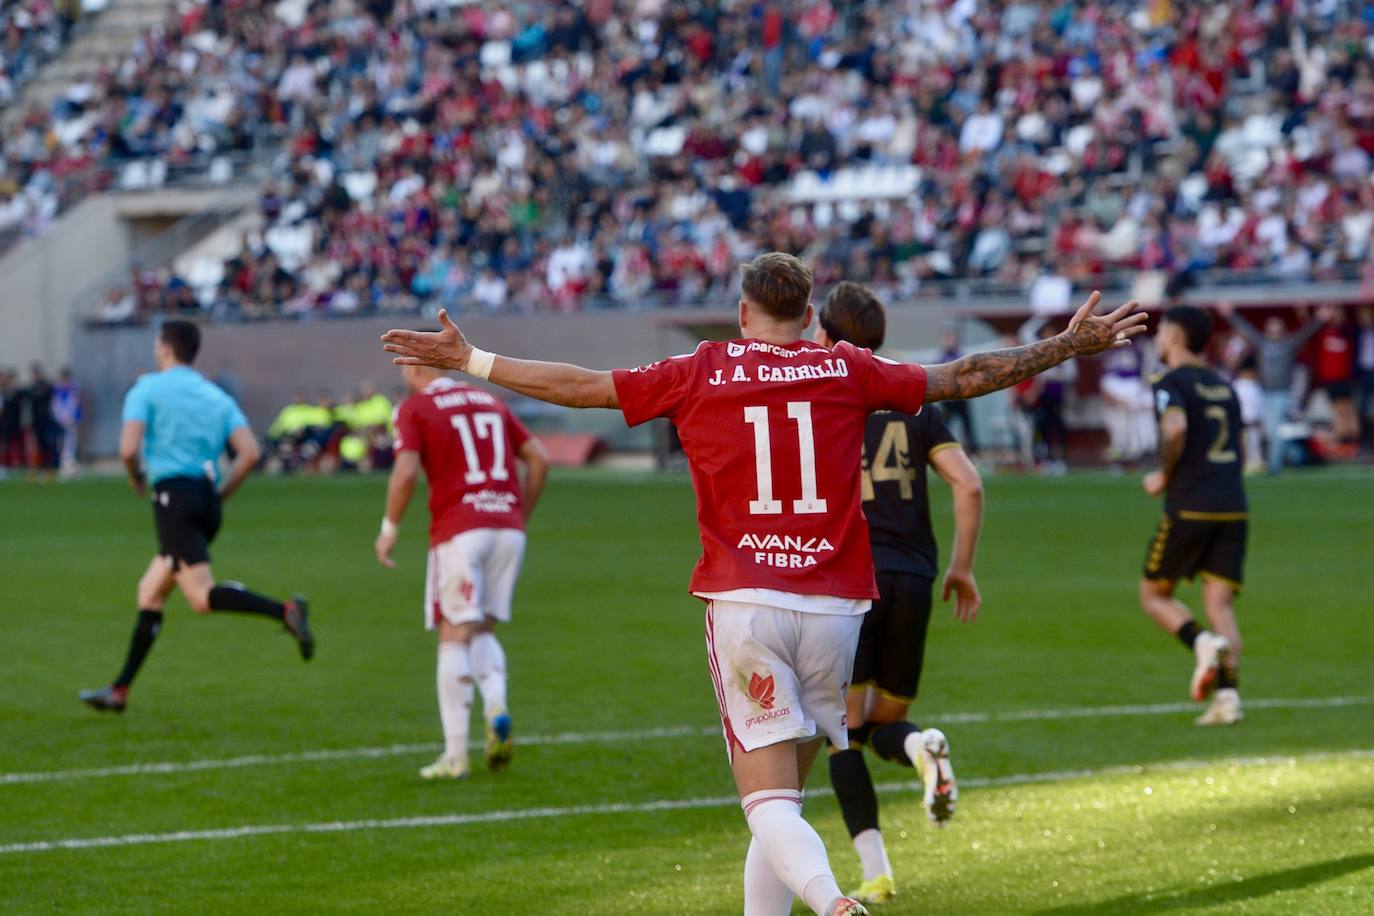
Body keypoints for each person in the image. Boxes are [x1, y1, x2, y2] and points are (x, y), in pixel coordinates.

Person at [381, 252, 1144, 916]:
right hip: (837, 609)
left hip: (748, 603)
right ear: (810, 314)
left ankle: (833, 901)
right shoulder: (849, 368)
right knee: (786, 801)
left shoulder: (704, 367)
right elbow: (964, 376)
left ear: (744, 313)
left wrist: (472, 360)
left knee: (769, 803)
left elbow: (582, 388)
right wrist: (1065, 345)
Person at [813, 283, 985, 905]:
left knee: (840, 733)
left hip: (853, 580)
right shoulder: (916, 401)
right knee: (884, 721)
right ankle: (919, 747)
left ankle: (876, 872)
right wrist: (961, 569)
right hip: (913, 577)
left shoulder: (824, 394)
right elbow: (968, 486)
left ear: (828, 337)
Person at [79, 321, 314, 713]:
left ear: (164, 348)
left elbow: (127, 449)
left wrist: (136, 477)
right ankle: (119, 690)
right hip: (207, 501)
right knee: (150, 591)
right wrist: (221, 493)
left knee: (201, 596)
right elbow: (250, 453)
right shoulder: (215, 396)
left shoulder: (147, 388)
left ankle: (286, 611)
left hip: (173, 498)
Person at [374, 364, 549, 779]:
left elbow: (405, 471)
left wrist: (389, 529)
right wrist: (518, 516)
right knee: (483, 628)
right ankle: (496, 703)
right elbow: (539, 461)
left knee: (453, 632)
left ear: (416, 367)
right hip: (507, 528)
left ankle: (455, 757)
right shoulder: (490, 400)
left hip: (460, 530)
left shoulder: (415, 408)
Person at [1139, 306, 1247, 727]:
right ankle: (1228, 699)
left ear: (1176, 337)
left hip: (1190, 504)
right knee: (1220, 605)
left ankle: (1201, 643)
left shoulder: (1170, 382)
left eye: (1162, 331)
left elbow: (1176, 427)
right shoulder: (1225, 385)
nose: (1158, 338)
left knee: (1154, 596)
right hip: (1233, 505)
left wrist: (1164, 476)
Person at [1220, 303, 1322, 473]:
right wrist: (1230, 314)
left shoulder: (1288, 344)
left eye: (1277, 326)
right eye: (1271, 326)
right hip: (1265, 392)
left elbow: (1306, 333)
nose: (1274, 329)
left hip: (1282, 393)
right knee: (1268, 432)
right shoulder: (1262, 343)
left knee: (1276, 430)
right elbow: (1247, 329)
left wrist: (1319, 319)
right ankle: (1296, 455)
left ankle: (1274, 466)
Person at [933, 328, 978, 454]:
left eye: (950, 338)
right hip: (947, 399)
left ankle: (972, 451)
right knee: (944, 426)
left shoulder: (962, 355)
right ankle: (945, 450)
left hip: (962, 397)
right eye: (946, 338)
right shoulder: (940, 356)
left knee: (967, 426)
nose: (948, 341)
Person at [52, 367, 83, 477]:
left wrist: (73, 417)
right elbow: (56, 405)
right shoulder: (57, 389)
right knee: (62, 442)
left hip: (71, 420)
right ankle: (65, 464)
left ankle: (70, 463)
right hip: (61, 420)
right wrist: (59, 417)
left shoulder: (74, 388)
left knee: (71, 441)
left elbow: (74, 404)